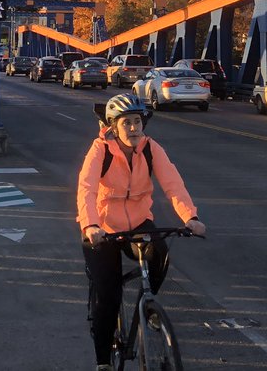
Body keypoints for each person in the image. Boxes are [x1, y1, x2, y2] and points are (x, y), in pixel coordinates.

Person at [76, 94, 206, 371]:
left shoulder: (150, 148)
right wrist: (90, 225)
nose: (134, 128)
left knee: (160, 254)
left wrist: (190, 217)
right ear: (113, 126)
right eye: (127, 123)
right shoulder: (100, 150)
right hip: (103, 227)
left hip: (137, 222)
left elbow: (173, 183)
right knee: (109, 297)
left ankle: (149, 307)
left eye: (138, 121)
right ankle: (103, 362)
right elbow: (86, 188)